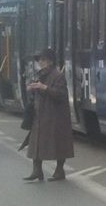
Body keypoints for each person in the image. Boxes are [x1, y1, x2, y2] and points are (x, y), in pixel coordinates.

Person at [23, 48, 74, 182]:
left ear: (51, 61)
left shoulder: (58, 76)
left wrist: (44, 88)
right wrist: (32, 88)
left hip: (55, 116)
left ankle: (59, 170)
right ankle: (37, 170)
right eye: (39, 59)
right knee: (36, 142)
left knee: (59, 143)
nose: (41, 62)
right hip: (40, 114)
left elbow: (61, 94)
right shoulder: (39, 74)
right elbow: (36, 92)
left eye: (43, 59)